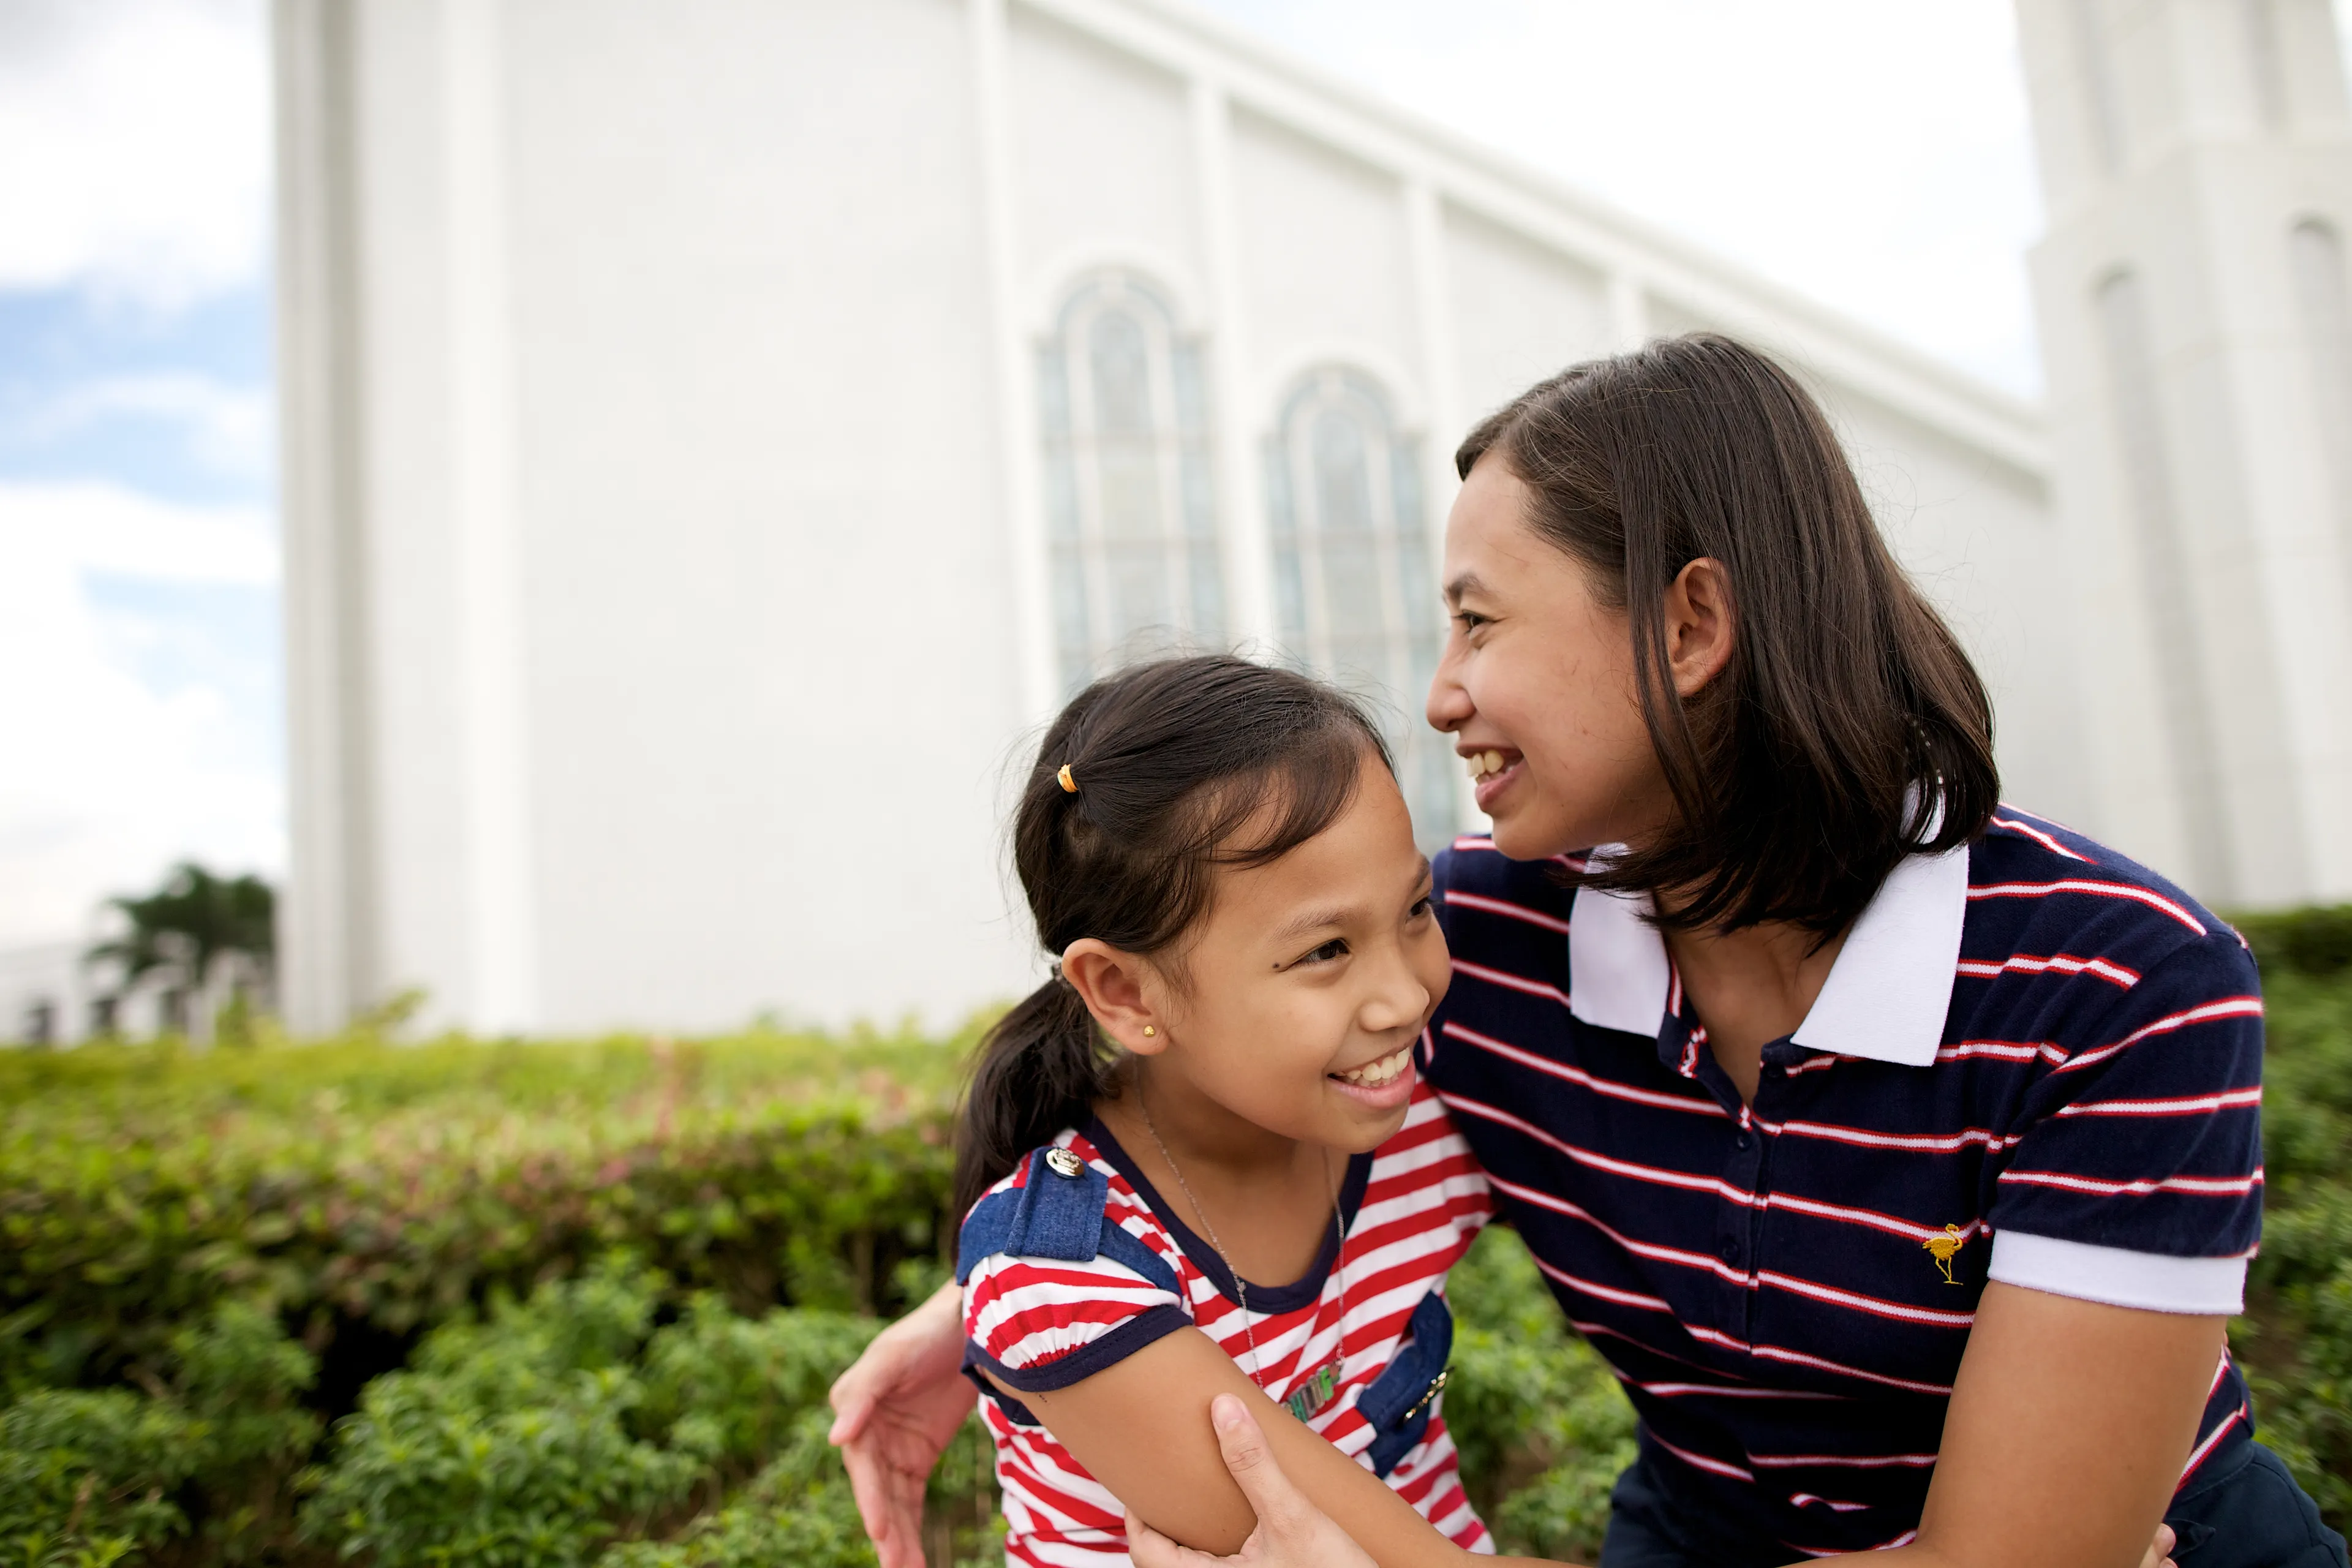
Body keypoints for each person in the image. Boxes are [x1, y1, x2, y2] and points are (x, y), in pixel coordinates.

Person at [831, 336, 2346, 1567]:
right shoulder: (1470, 941)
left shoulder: (2121, 983)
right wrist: (1005, 1300)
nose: (1438, 695)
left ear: (1690, 626)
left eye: (1478, 622)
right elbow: (1220, 1037)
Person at [946, 655, 1504, 1565]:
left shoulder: (1419, 1125)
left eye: (1415, 909)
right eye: (1326, 950)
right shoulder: (1069, 1277)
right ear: (1125, 992)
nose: (1403, 996)